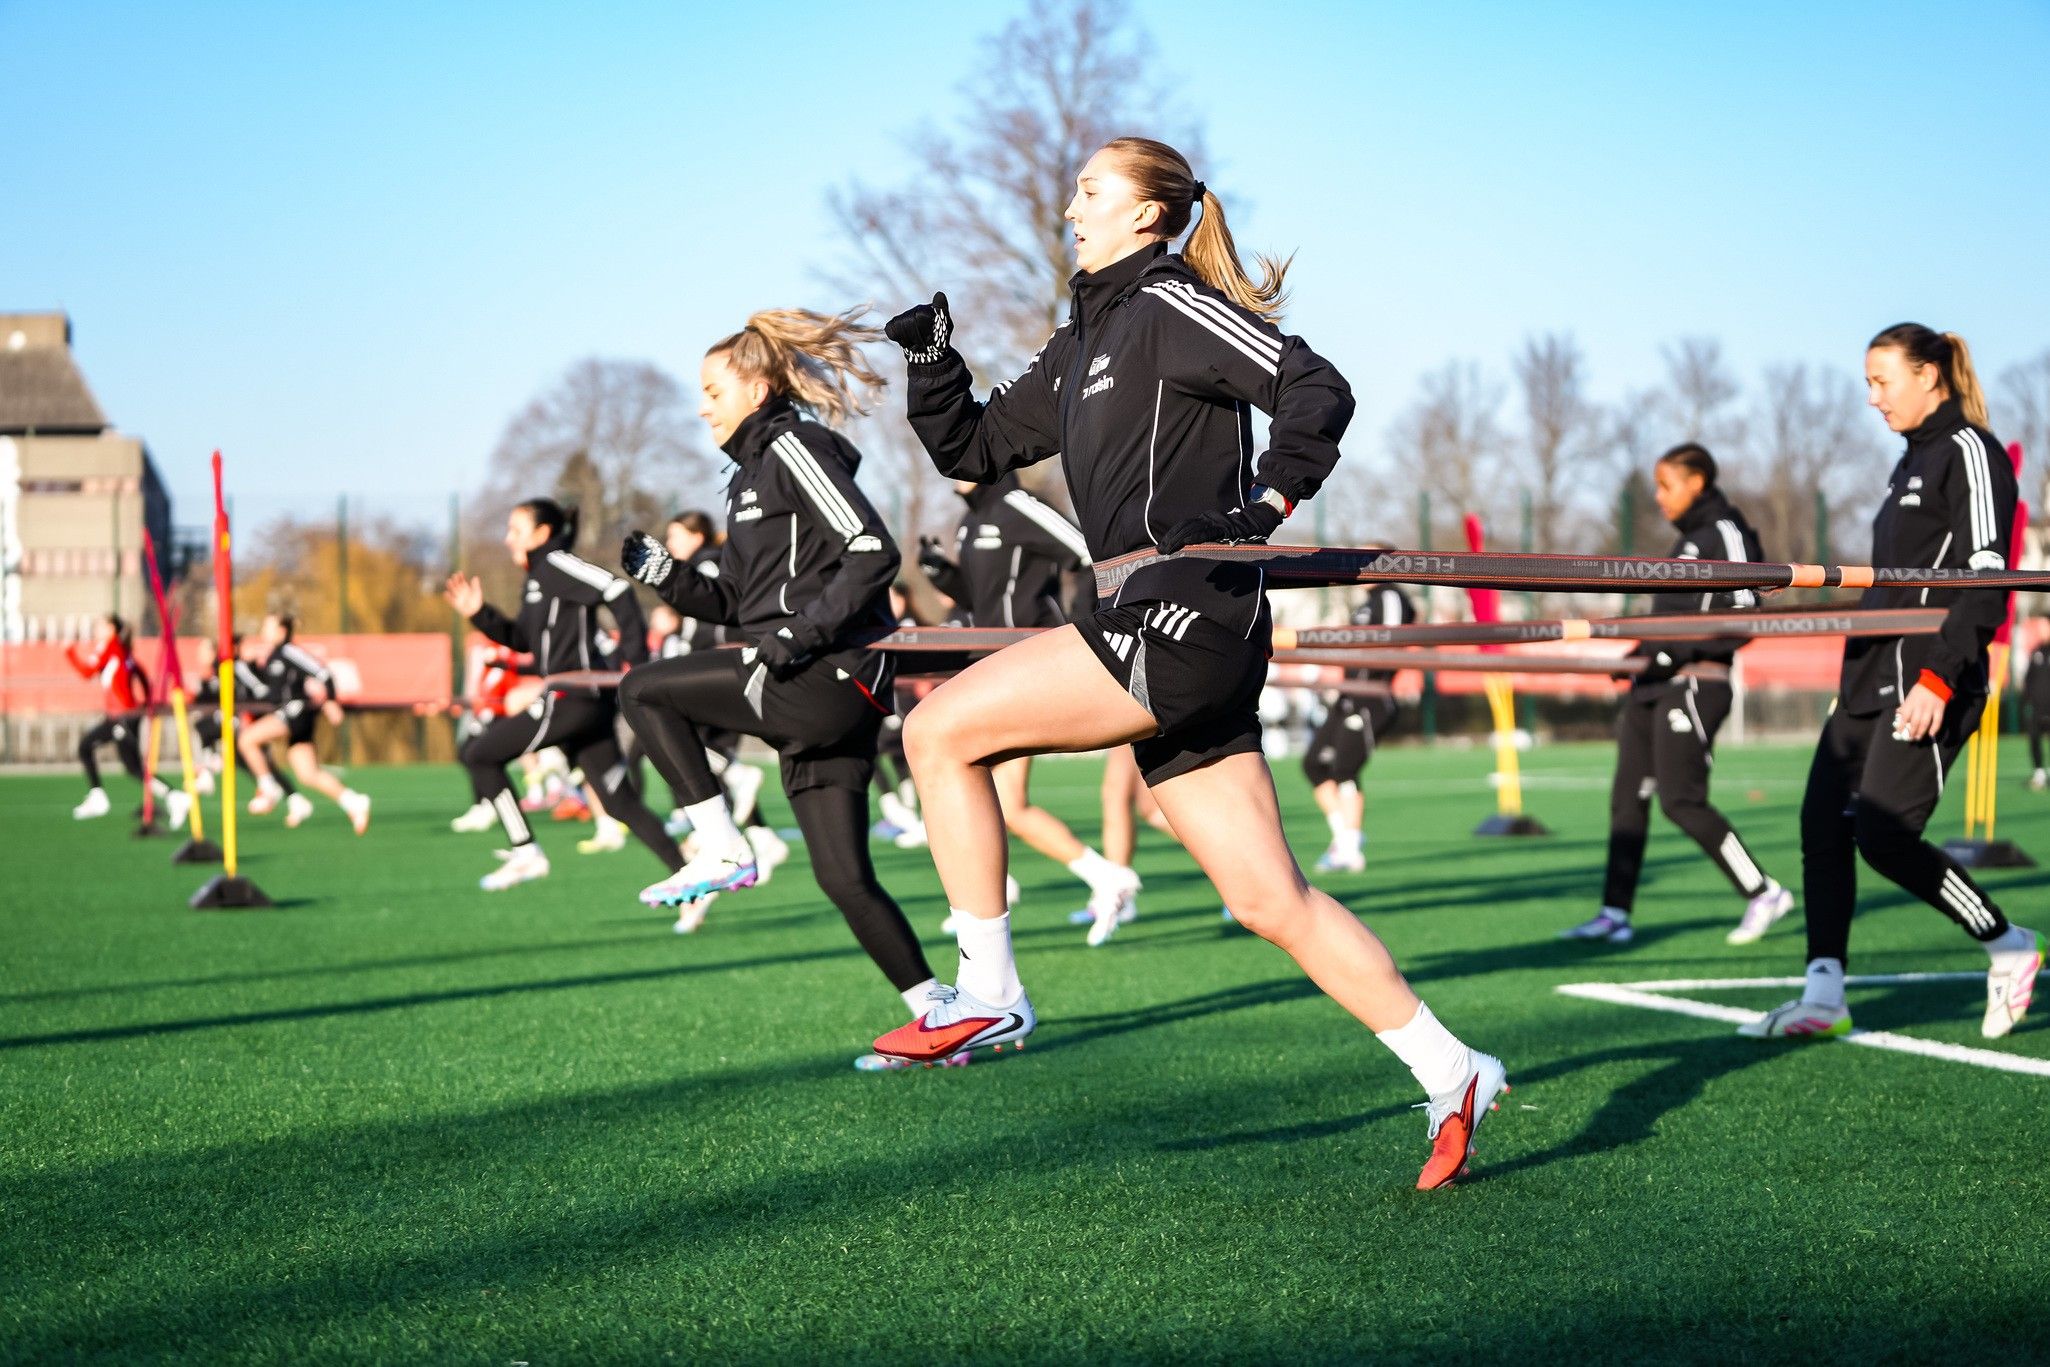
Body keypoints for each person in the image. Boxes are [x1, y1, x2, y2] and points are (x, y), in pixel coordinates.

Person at [874, 136, 1506, 1187]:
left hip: (1186, 614)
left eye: (1090, 190)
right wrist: (933, 362)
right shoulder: (1080, 341)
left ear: (1147, 213)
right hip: (1147, 615)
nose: (1070, 206)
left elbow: (1314, 385)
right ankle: (1454, 1068)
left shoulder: (1172, 303)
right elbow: (972, 449)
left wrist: (1269, 499)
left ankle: (988, 987)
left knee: (937, 731)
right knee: (1271, 901)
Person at [617, 309, 944, 1064]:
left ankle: (722, 844)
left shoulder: (793, 447)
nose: (702, 406)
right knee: (844, 878)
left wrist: (800, 636)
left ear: (759, 389)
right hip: (810, 682)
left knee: (642, 690)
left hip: (824, 676)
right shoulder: (747, 476)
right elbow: (735, 603)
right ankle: (938, 1016)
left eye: (712, 390)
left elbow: (872, 549)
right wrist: (666, 576)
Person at [1745, 324, 2041, 1041]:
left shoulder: (1970, 451)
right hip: (1867, 677)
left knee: (1882, 833)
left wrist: (1938, 678)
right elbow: (1891, 588)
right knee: (1821, 825)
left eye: (1882, 381)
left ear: (1929, 374)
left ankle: (2008, 943)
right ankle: (1823, 994)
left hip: (1930, 676)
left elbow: (1987, 581)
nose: (1872, 398)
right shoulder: (1908, 463)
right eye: (1868, 383)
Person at [1559, 444, 1792, 946]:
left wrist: (1670, 654)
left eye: (1666, 485)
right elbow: (1670, 622)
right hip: (1654, 685)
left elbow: (1745, 614)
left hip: (1695, 683)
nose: (1659, 497)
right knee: (1627, 801)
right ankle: (1615, 913)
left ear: (1698, 482)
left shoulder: (1726, 532)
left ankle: (1764, 892)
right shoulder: (1685, 542)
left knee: (1681, 801)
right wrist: (1638, 656)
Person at [918, 474, 1140, 944]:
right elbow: (981, 601)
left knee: (1007, 800)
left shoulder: (1017, 503)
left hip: (1028, 664)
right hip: (989, 665)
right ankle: (1014, 888)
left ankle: (1101, 878)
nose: (948, 463)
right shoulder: (969, 521)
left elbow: (1086, 553)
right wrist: (942, 575)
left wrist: (1084, 629)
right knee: (992, 795)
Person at [442, 498, 682, 891]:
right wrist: (480, 613)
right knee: (619, 801)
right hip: (581, 704)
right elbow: (523, 640)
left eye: (515, 530)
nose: (507, 538)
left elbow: (617, 589)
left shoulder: (554, 563)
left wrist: (638, 664)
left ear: (542, 533)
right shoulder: (537, 577)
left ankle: (526, 851)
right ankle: (687, 872)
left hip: (575, 697)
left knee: (479, 754)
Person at [1301, 578, 1416, 874]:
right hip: (1347, 695)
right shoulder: (1366, 602)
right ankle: (1345, 839)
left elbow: (1392, 637)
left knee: (1344, 770)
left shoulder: (1390, 595)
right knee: (1314, 765)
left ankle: (1349, 847)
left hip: (1371, 697)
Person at [236, 614, 372, 834]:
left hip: (295, 713)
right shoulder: (273, 656)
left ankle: (268, 788)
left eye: (268, 627)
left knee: (246, 740)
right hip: (289, 716)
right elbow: (267, 690)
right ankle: (353, 802)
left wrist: (330, 701)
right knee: (308, 774)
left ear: (282, 631)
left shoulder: (290, 651)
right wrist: (248, 664)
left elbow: (323, 673)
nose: (263, 632)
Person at [66, 614, 188, 829]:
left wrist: (69, 652)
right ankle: (174, 796)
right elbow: (140, 673)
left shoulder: (109, 646)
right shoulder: (121, 650)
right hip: (126, 715)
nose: (96, 629)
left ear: (111, 629)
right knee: (133, 768)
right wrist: (147, 701)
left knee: (86, 747)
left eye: (100, 625)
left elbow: (86, 672)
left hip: (121, 716)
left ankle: (98, 797)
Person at [2023, 628, 2050, 791]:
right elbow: (2028, 678)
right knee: (2034, 738)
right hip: (2037, 707)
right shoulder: (2036, 652)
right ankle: (2039, 773)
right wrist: (2027, 699)